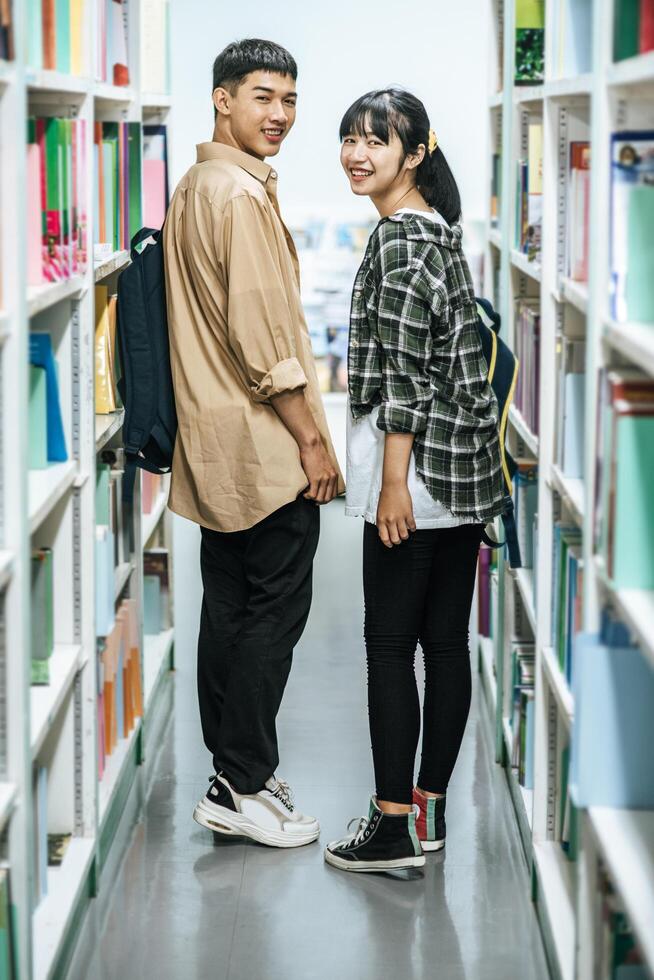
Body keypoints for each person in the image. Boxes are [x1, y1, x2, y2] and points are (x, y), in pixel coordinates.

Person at [163, 39, 343, 849]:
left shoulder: (198, 183)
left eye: (290, 100)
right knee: (274, 611)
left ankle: (234, 774)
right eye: (263, 96)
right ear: (221, 100)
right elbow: (266, 340)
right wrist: (314, 441)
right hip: (264, 446)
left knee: (229, 611)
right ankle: (239, 781)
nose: (280, 115)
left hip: (215, 445)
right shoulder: (237, 194)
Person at [324, 89, 509, 873]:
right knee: (447, 645)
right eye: (350, 139)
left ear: (417, 151)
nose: (358, 154)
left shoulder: (400, 243)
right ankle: (428, 813)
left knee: (391, 647)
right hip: (462, 475)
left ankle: (392, 826)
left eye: (377, 140)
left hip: (418, 479)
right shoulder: (440, 233)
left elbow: (402, 382)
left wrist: (392, 485)